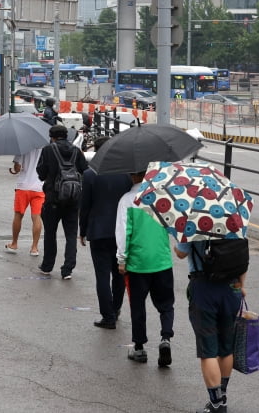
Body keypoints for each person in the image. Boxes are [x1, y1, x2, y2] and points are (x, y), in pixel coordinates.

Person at [174, 241, 247, 413]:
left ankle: (216, 404)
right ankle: (222, 395)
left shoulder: (194, 222)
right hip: (232, 288)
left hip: (203, 287)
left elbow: (181, 253)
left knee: (208, 350)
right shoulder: (235, 221)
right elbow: (243, 259)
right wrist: (241, 286)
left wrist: (178, 244)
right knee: (226, 347)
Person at [116, 171, 174, 366]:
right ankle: (166, 338)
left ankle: (139, 347)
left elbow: (124, 231)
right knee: (166, 304)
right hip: (162, 260)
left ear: (132, 175)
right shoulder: (160, 197)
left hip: (138, 263)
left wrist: (121, 259)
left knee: (138, 305)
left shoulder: (127, 200)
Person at [79, 137, 132, 329]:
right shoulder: (126, 174)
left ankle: (107, 316)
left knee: (102, 276)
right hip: (121, 232)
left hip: (98, 231)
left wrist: (82, 230)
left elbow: (85, 206)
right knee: (119, 274)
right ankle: (116, 309)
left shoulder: (90, 174)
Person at [36, 125, 87, 279]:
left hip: (53, 198)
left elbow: (41, 173)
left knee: (50, 233)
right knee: (71, 235)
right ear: (66, 136)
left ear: (52, 136)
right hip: (72, 198)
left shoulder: (48, 150)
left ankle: (47, 265)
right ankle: (67, 270)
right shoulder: (76, 150)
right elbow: (84, 170)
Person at [4, 147, 44, 256]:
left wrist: (14, 170)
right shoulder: (45, 147)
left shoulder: (22, 146)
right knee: (36, 217)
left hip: (23, 187)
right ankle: (34, 248)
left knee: (18, 215)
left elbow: (17, 168)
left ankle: (14, 244)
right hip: (39, 187)